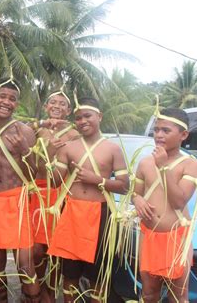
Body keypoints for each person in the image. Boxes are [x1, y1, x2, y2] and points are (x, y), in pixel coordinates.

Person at [47, 96, 129, 302]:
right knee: (70, 273)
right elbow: (54, 182)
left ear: (99, 116)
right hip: (72, 214)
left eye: (87, 116)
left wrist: (97, 180)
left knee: (97, 274)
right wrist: (50, 153)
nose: (83, 121)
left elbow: (124, 186)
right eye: (78, 118)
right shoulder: (68, 148)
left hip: (100, 214)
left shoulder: (112, 149)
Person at [0, 77, 41, 302]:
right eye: (2, 96)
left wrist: (24, 150)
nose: (6, 102)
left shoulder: (25, 132)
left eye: (12, 99)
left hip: (18, 202)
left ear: (17, 104)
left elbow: (33, 173)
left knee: (25, 265)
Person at [132, 107, 197, 302]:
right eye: (156, 129)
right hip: (149, 236)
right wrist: (137, 199)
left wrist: (163, 167)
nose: (159, 135)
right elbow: (135, 193)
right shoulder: (145, 163)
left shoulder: (190, 165)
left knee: (178, 296)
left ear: (183, 135)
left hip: (176, 238)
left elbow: (179, 201)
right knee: (149, 293)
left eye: (166, 130)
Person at [30, 88, 78, 302]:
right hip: (39, 194)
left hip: (63, 196)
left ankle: (50, 292)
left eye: (62, 104)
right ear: (46, 106)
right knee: (36, 249)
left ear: (68, 110)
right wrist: (42, 129)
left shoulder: (74, 134)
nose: (57, 106)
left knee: (57, 249)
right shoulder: (37, 130)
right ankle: (38, 290)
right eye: (53, 103)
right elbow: (32, 162)